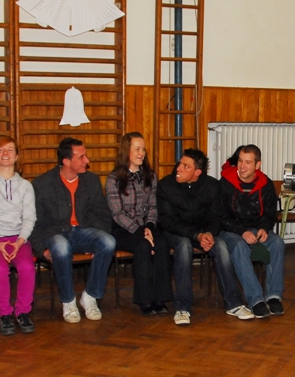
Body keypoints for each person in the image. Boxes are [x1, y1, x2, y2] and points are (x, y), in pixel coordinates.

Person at [158, 148, 253, 325]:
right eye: (180, 164)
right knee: (184, 247)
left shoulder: (212, 186)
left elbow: (216, 216)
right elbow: (168, 221)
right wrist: (197, 235)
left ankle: (234, 303)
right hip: (176, 232)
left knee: (221, 246)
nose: (178, 168)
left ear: (197, 172)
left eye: (186, 166)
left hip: (203, 232)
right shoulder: (166, 186)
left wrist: (209, 233)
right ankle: (182, 307)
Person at [30, 137, 116, 323]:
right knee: (61, 247)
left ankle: (90, 296)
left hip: (83, 231)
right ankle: (68, 301)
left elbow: (103, 214)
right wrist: (42, 250)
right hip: (56, 234)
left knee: (108, 242)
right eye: (82, 157)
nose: (87, 160)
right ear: (66, 161)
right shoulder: (42, 184)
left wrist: (96, 241)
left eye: (86, 156)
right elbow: (34, 223)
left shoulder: (91, 181)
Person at [106, 132, 172, 315]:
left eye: (143, 149)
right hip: (123, 229)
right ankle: (145, 299)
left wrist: (149, 227)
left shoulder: (150, 176)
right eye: (137, 149)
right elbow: (117, 213)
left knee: (162, 244)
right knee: (143, 246)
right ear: (126, 151)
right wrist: (141, 231)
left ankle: (161, 297)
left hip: (146, 226)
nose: (141, 153)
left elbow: (153, 206)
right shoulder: (114, 179)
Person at [0, 137, 37, 335]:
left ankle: (23, 312)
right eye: (1, 150)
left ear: (16, 156)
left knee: (27, 267)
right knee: (0, 269)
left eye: (10, 150)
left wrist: (19, 242)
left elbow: (29, 218)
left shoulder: (25, 186)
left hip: (18, 239)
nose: (5, 153)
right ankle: (5, 314)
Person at [219, 144, 284, 319]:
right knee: (240, 246)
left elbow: (270, 214)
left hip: (256, 228)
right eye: (240, 161)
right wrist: (242, 231)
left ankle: (273, 296)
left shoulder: (266, 184)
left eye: (248, 162)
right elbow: (221, 216)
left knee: (277, 243)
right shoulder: (225, 182)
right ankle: (256, 299)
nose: (242, 166)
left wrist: (263, 228)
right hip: (231, 230)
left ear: (257, 165)